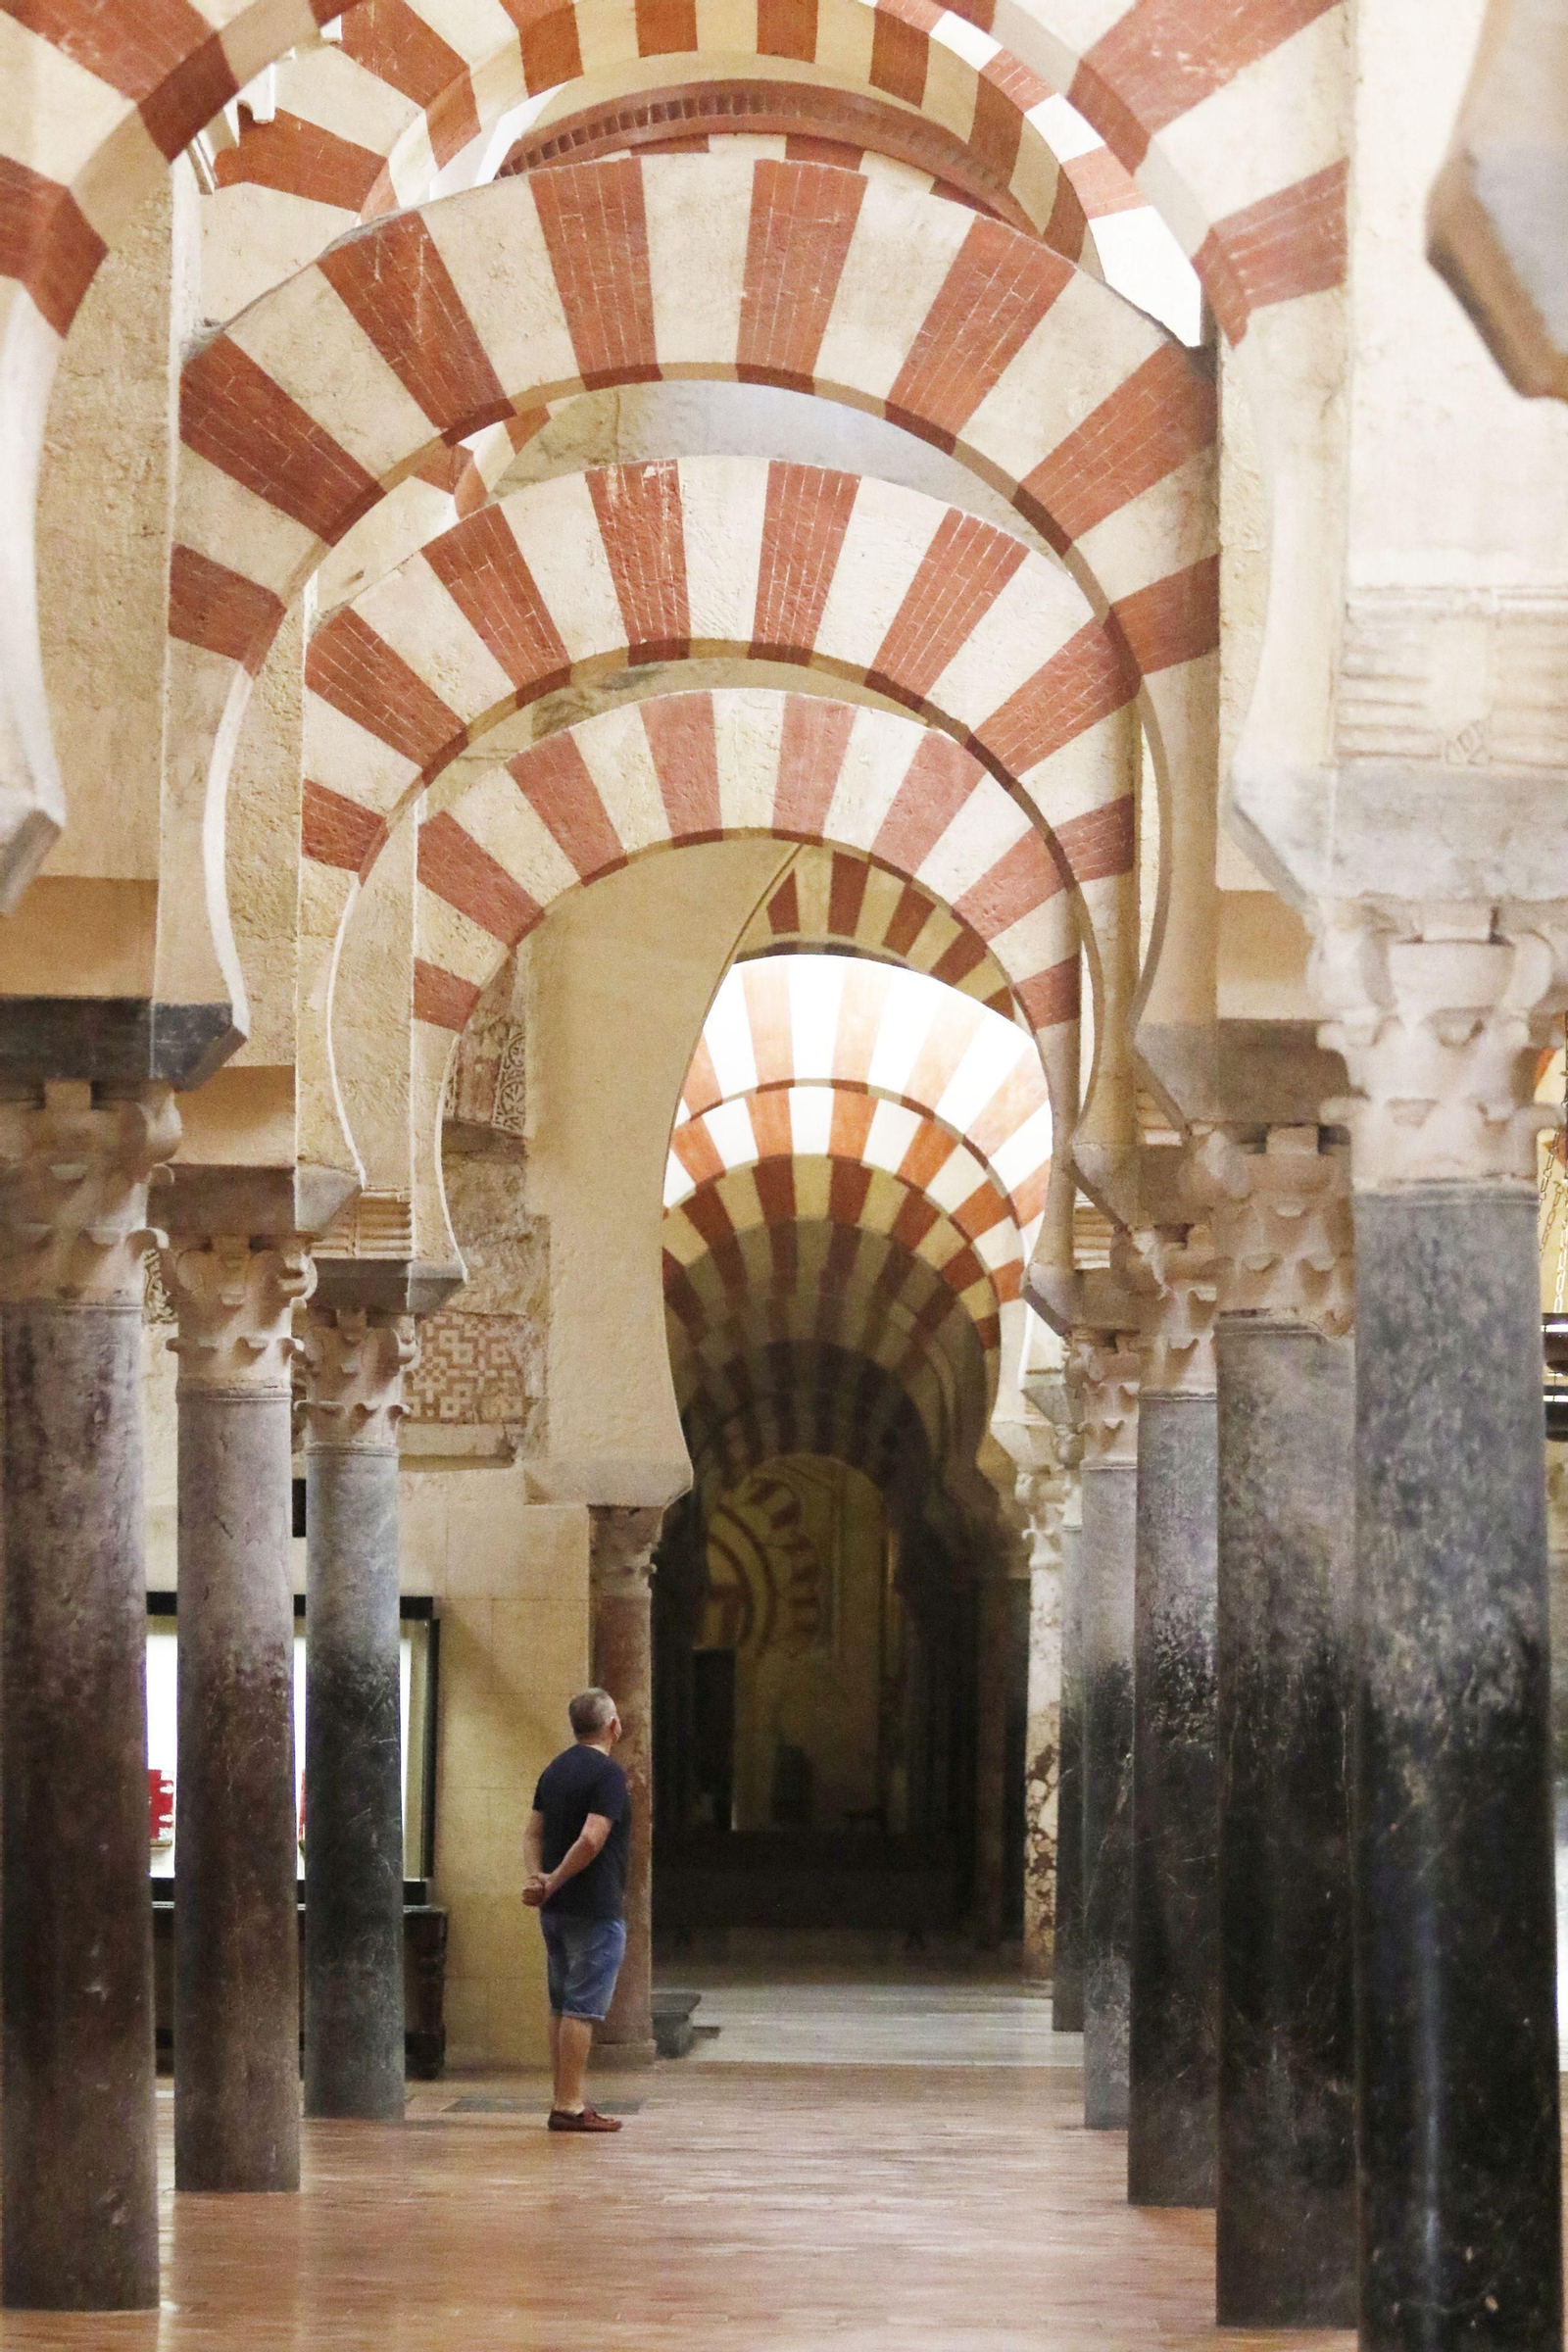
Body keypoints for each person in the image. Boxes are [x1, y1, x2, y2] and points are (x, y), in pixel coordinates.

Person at [522, 1687, 630, 2133]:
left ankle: (562, 2097)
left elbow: (531, 1834)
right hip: (593, 1907)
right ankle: (568, 2104)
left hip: (556, 1910)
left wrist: (539, 1879)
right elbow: (591, 1839)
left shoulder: (555, 1769)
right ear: (612, 1726)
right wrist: (554, 1879)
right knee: (581, 2008)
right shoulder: (607, 1775)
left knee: (562, 2005)